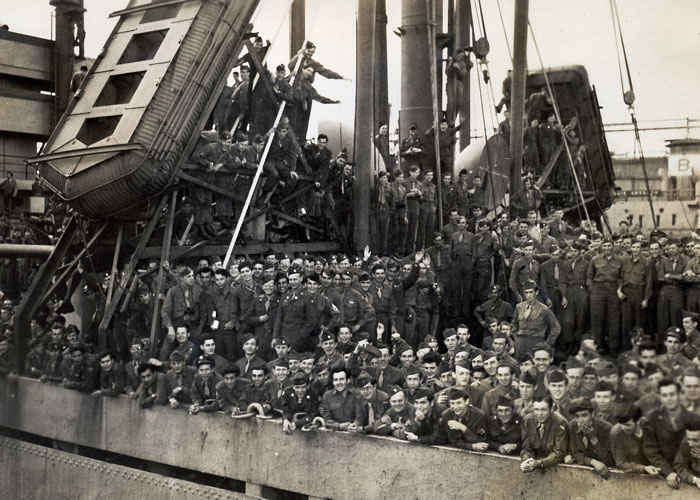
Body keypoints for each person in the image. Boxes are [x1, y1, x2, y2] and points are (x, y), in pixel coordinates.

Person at [643, 379, 692, 489]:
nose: (669, 399)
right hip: (664, 475)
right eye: (664, 395)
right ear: (660, 397)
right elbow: (651, 451)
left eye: (672, 394)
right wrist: (668, 472)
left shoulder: (692, 418)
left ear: (679, 395)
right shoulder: (651, 419)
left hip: (690, 474)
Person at [511, 281, 560, 361]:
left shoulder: (544, 309)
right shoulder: (519, 307)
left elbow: (556, 328)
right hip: (520, 343)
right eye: (526, 293)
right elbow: (513, 324)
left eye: (531, 292)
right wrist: (515, 339)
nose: (528, 295)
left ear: (536, 292)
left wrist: (547, 344)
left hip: (536, 342)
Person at [520, 396, 569, 472]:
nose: (540, 414)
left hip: (555, 467)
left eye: (543, 410)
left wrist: (539, 463)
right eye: (536, 410)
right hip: (535, 462)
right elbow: (526, 448)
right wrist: (527, 461)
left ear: (551, 409)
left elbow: (559, 453)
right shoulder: (528, 421)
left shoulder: (560, 423)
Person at [566, 399, 613, 478]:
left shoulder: (606, 429)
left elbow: (609, 460)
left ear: (592, 414)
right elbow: (575, 453)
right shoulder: (572, 426)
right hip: (583, 474)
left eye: (584, 415)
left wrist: (593, 438)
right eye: (577, 416)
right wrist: (592, 462)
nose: (580, 420)